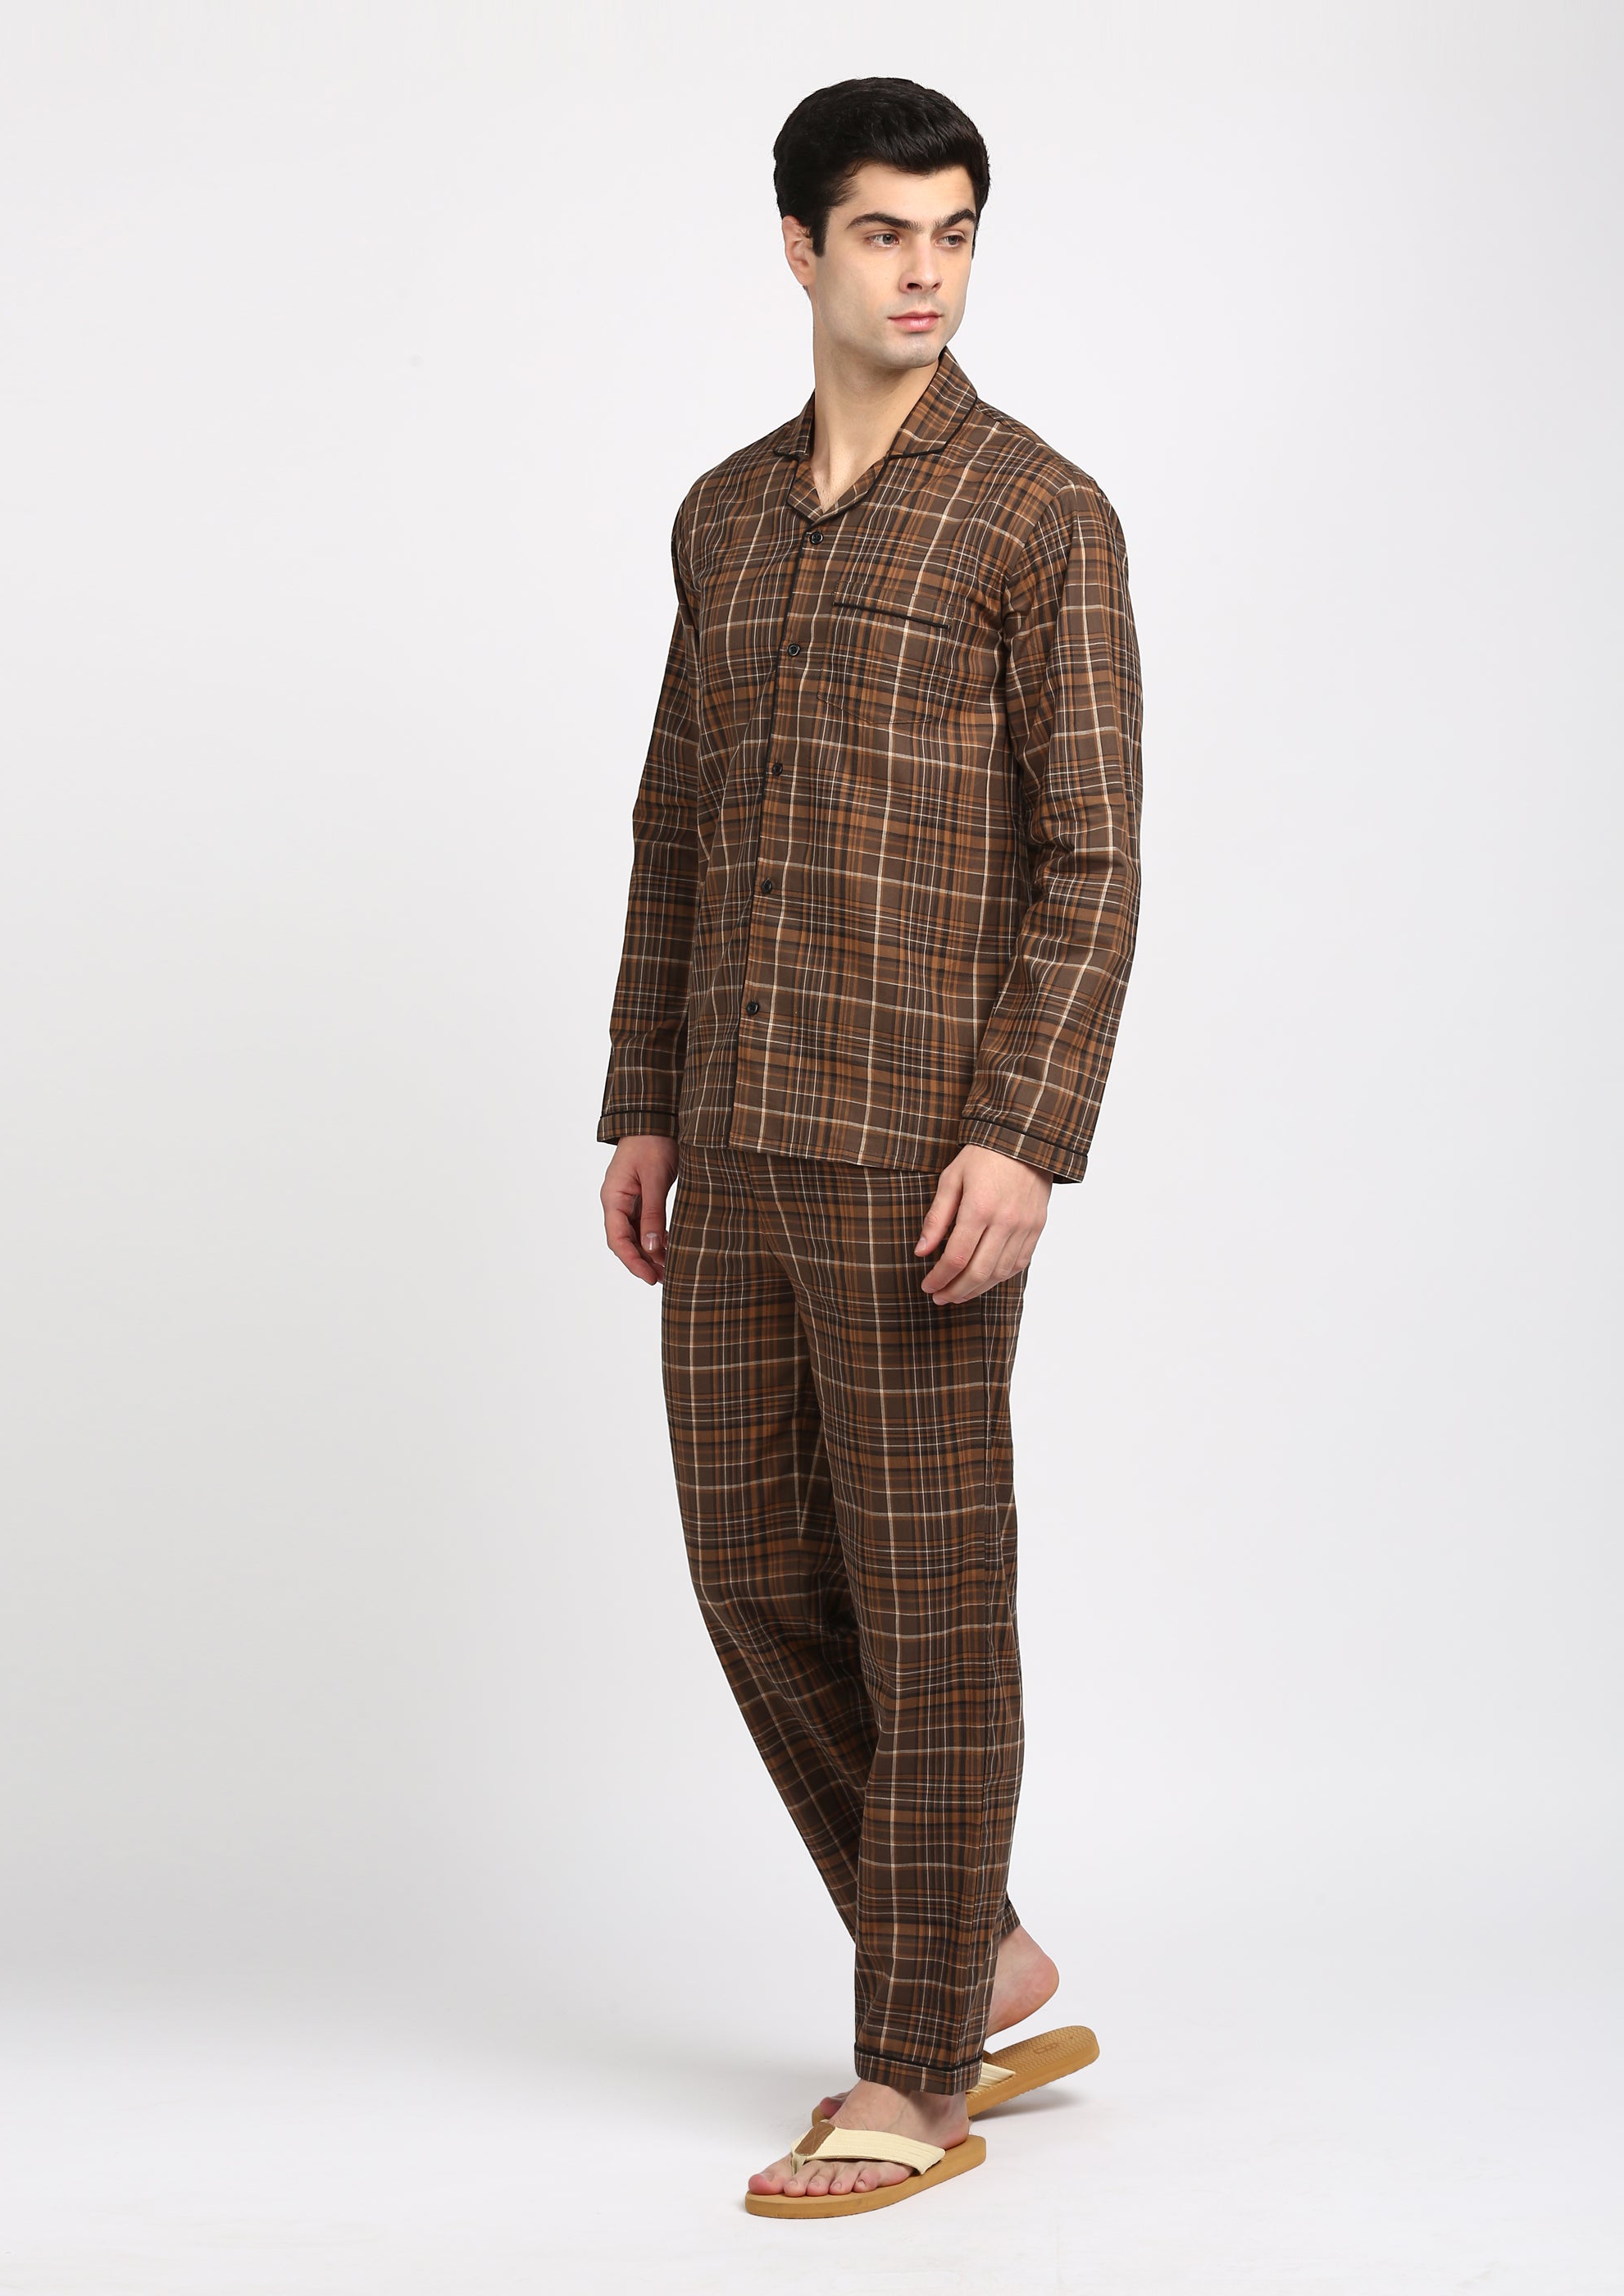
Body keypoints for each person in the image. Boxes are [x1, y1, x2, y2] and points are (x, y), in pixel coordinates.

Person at [597, 77, 1143, 2219]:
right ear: (802, 250)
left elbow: (1091, 858)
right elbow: (674, 827)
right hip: (735, 1136)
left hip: (926, 1154)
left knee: (927, 1605)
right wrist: (644, 1097)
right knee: (749, 1568)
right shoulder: (723, 519)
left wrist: (1025, 1136)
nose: (926, 273)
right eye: (888, 233)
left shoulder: (1040, 515)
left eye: (957, 233)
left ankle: (913, 2068)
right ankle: (970, 1945)